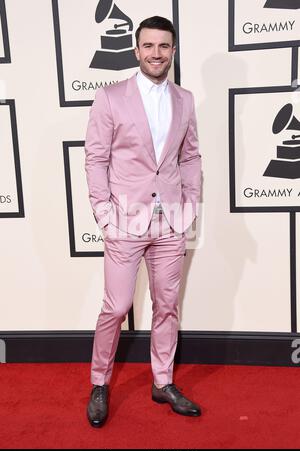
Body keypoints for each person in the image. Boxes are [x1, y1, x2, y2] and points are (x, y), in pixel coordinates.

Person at [85, 16, 202, 428]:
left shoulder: (185, 99)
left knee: (167, 305)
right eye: (149, 46)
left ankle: (162, 380)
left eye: (164, 46)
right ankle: (100, 382)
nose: (156, 53)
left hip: (170, 222)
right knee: (116, 307)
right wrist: (104, 213)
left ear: (173, 51)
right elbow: (96, 158)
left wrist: (189, 209)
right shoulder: (110, 97)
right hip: (125, 222)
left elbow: (189, 157)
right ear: (136, 51)